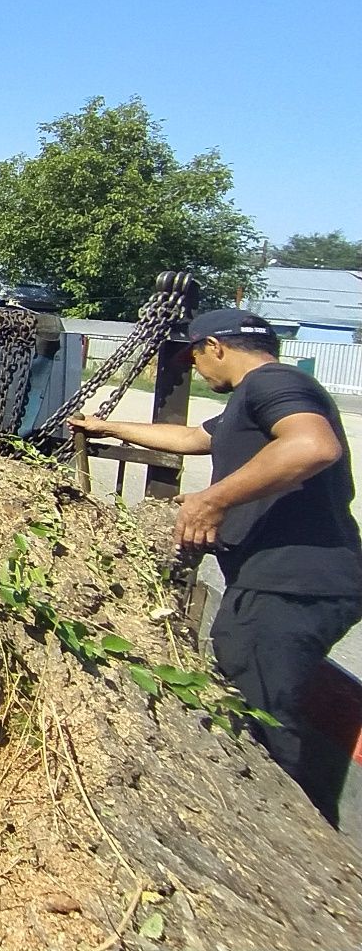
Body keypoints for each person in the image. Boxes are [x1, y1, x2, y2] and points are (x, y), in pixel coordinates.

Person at [70, 309, 361, 822]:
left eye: (196, 357)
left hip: (293, 580)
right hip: (284, 579)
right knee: (250, 684)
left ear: (216, 347)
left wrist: (213, 501)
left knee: (260, 711)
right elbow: (191, 439)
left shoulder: (274, 383)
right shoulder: (249, 402)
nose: (199, 370)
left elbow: (314, 446)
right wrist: (107, 424)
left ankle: (285, 829)